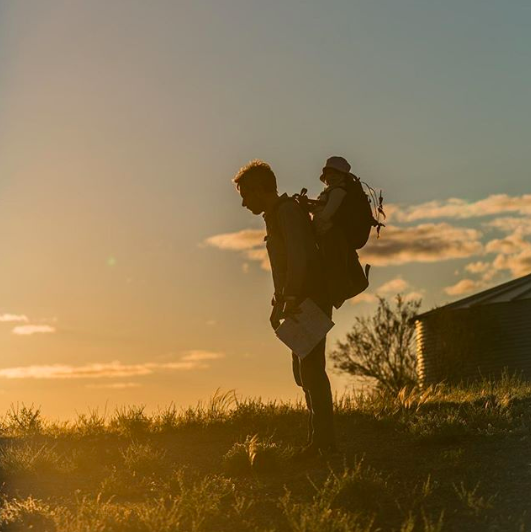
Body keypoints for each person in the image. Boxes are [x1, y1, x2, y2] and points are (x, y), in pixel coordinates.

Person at [233, 159, 338, 460]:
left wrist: (290, 298)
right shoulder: (276, 215)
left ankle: (323, 443)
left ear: (259, 189)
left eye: (245, 194)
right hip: (296, 301)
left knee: (311, 370)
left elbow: (300, 257)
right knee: (304, 372)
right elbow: (287, 264)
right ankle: (319, 441)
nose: (243, 203)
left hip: (309, 299)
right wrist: (279, 302)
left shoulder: (287, 212)